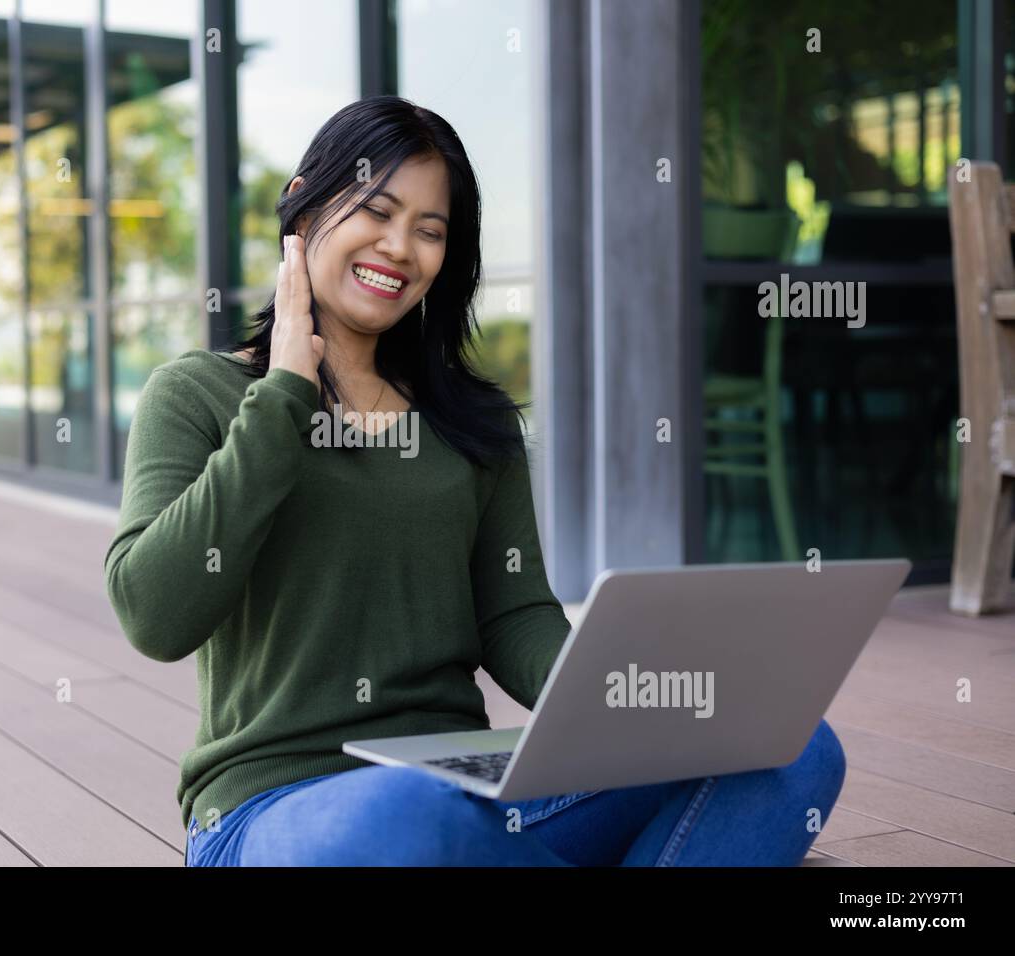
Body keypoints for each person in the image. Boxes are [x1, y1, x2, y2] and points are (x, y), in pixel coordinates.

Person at [103, 95, 846, 867]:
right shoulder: (198, 395)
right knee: (405, 815)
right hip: (272, 811)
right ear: (302, 204)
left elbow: (514, 620)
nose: (399, 248)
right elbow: (154, 615)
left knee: (793, 747)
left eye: (430, 230)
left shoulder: (471, 421)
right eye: (377, 211)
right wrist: (287, 390)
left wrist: (639, 698)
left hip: (461, 785)